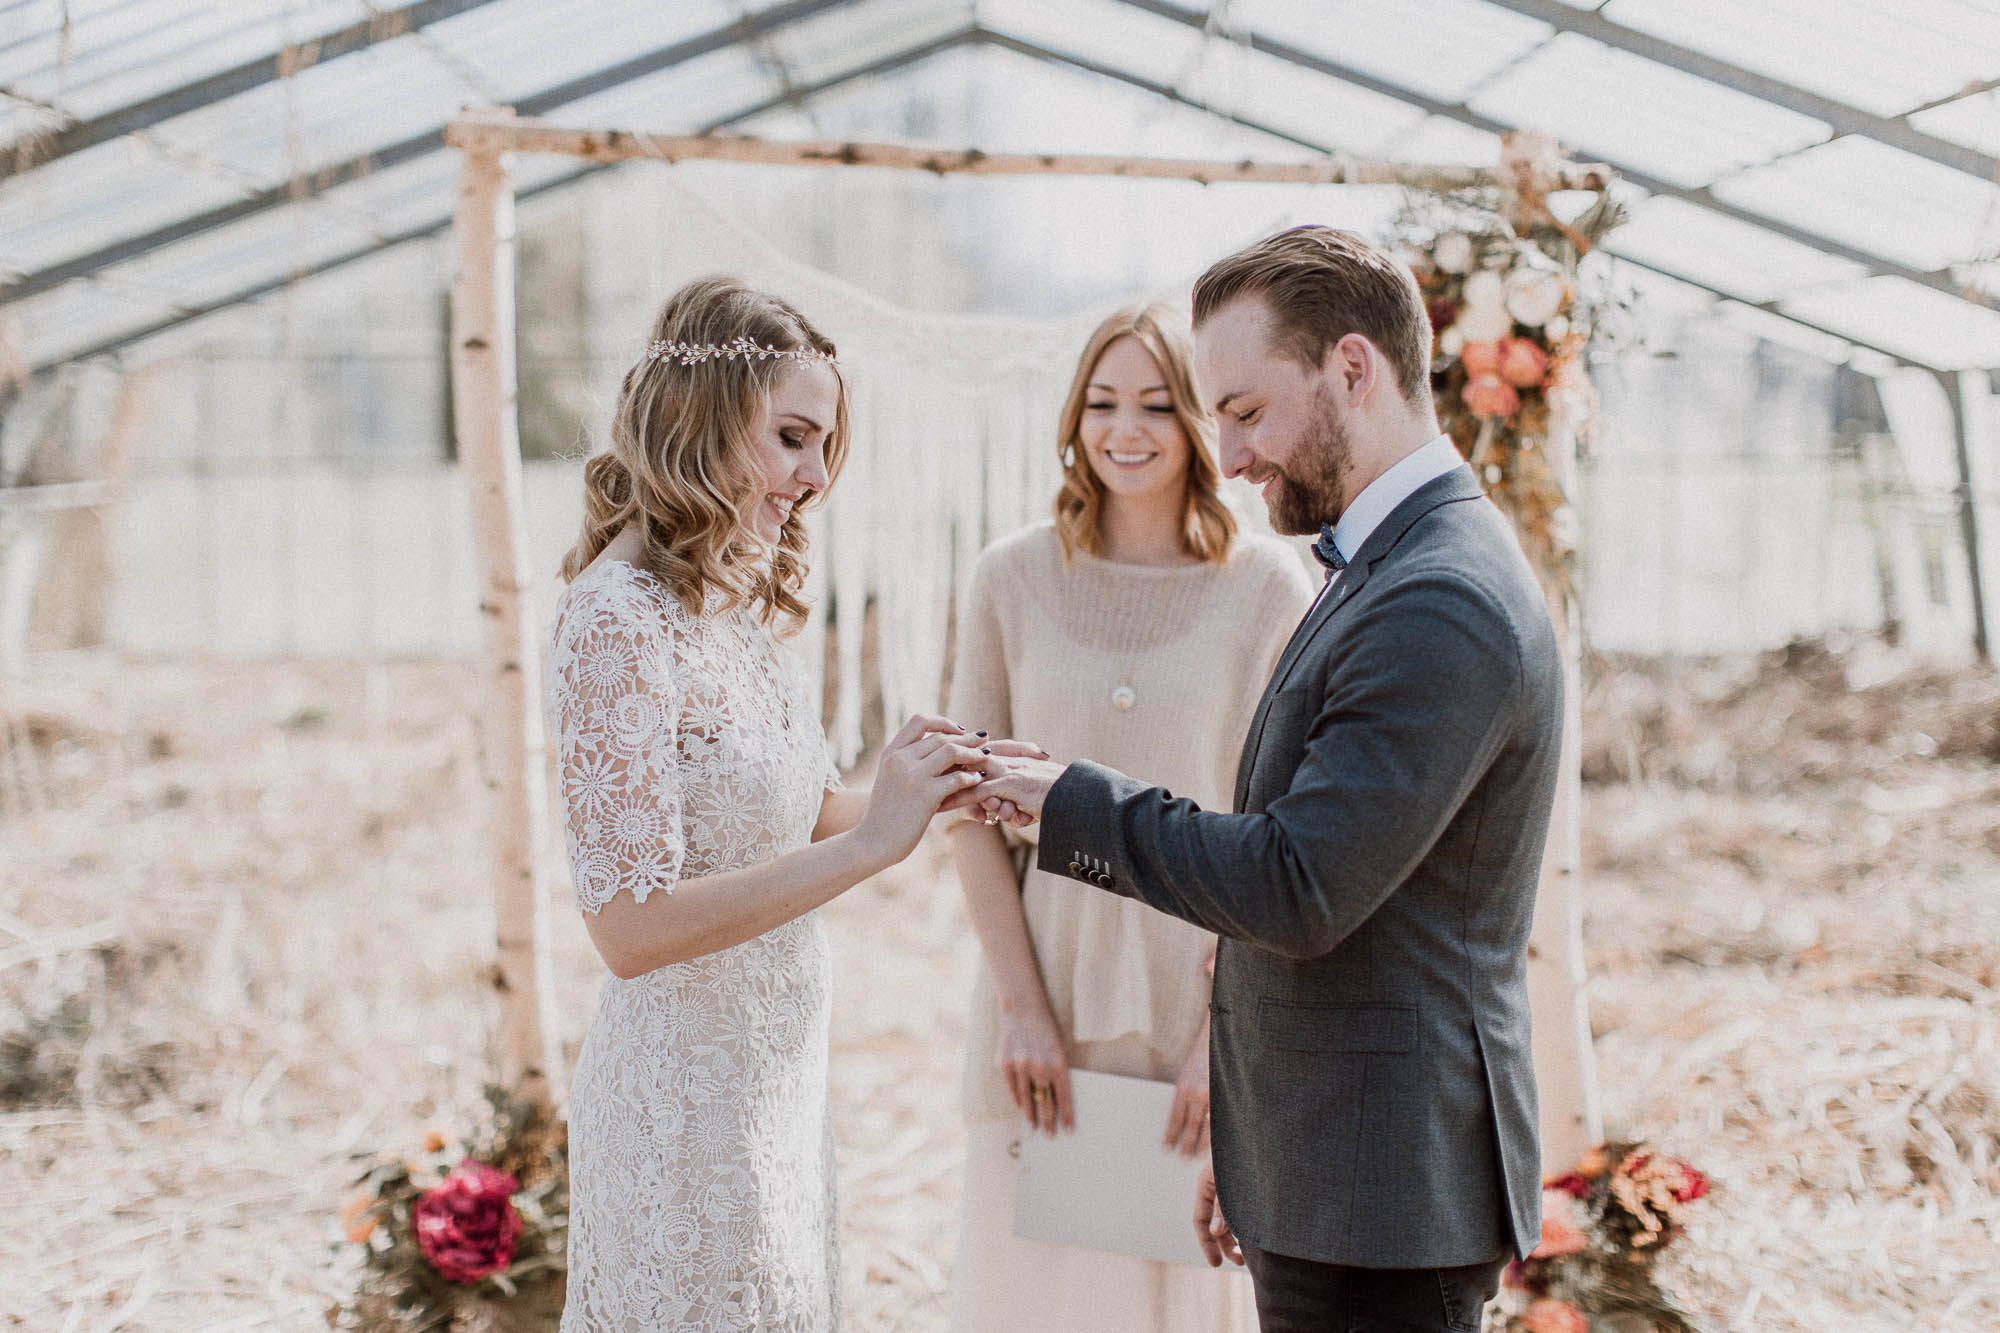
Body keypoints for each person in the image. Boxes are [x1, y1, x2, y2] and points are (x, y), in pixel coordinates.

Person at [957, 227, 1566, 1333]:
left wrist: (1068, 800)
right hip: (1325, 1162)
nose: (1227, 455)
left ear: (1350, 368)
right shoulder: (1375, 563)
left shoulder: (1439, 597)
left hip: (1384, 1188)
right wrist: (1255, 1134)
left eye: (1241, 411)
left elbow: (1296, 880)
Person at [545, 276, 1000, 1332]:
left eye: (824, 445)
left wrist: (923, 794)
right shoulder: (614, 619)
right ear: (701, 420)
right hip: (680, 1111)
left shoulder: (719, 607)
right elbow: (630, 926)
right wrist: (873, 845)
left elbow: (773, 822)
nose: (813, 475)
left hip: (772, 1088)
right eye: (792, 437)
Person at [944, 305, 1314, 1333]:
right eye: (1101, 403)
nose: (1126, 429)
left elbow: (1283, 828)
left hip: (1195, 1013)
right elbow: (965, 815)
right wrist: (1021, 1006)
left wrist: (1220, 1039)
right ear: (1072, 417)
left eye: (1156, 403)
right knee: (1040, 1301)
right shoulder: (1007, 578)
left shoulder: (1265, 589)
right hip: (1045, 1013)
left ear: (1199, 421)